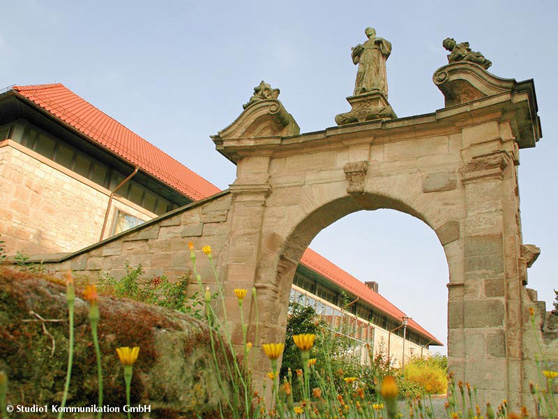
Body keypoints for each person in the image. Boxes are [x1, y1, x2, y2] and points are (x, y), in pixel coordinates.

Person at [352, 27, 392, 97]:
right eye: (366, 31)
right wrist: (356, 52)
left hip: (374, 59)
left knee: (373, 71)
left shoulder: (379, 40)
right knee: (361, 73)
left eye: (369, 30)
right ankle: (361, 89)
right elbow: (355, 60)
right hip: (364, 60)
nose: (367, 31)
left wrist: (381, 41)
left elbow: (387, 49)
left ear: (374, 32)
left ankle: (374, 87)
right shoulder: (364, 44)